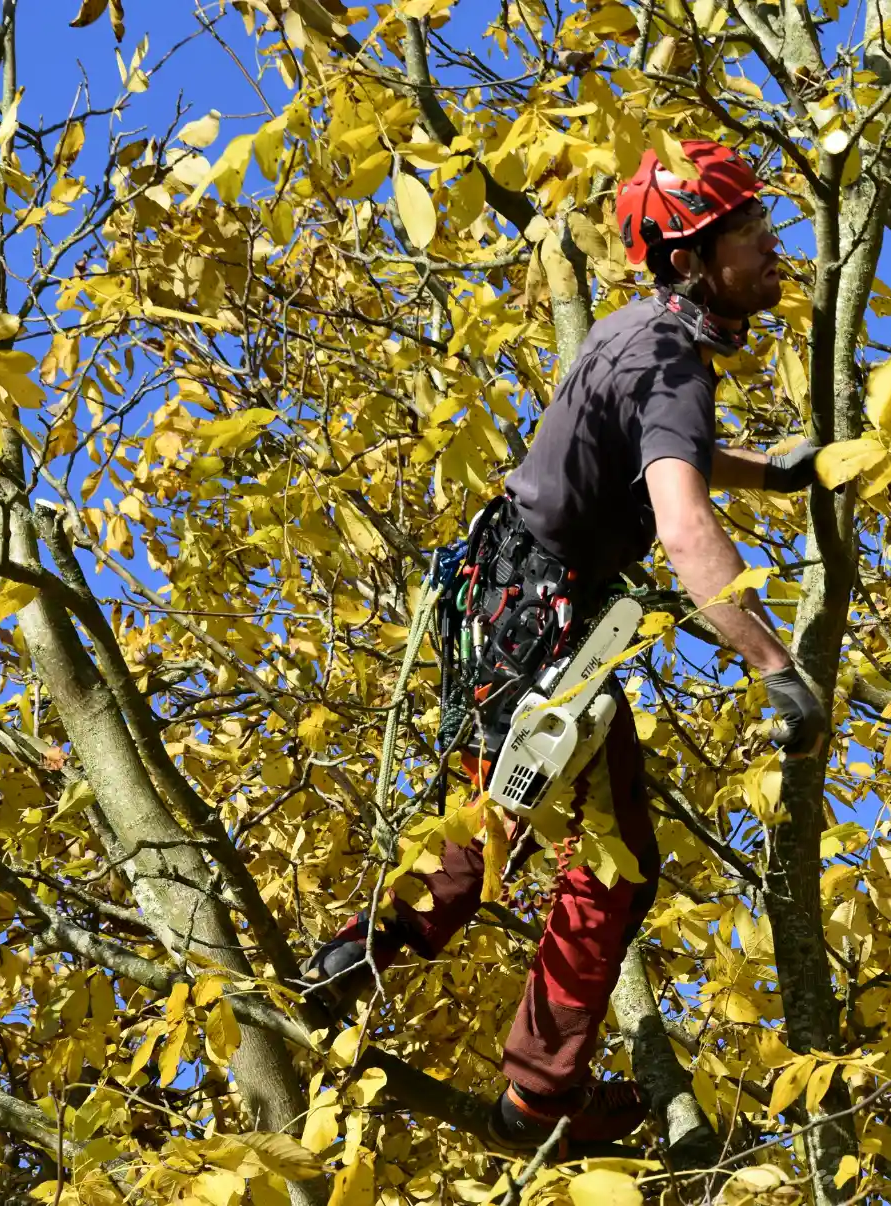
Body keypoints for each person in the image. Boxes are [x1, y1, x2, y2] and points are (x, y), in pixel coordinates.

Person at [300, 139, 828, 1153]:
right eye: (749, 231)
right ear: (689, 259)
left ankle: (350, 959)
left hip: (501, 605)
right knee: (617, 867)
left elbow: (656, 448)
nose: (772, 245)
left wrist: (770, 471)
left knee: (490, 822)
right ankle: (539, 1098)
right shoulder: (672, 355)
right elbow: (678, 522)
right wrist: (774, 666)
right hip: (545, 622)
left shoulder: (635, 332)